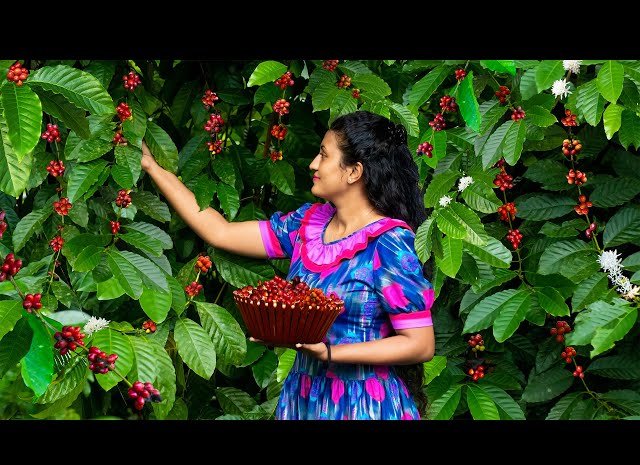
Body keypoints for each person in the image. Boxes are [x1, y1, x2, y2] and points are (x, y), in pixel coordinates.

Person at [140, 109, 435, 420]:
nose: (313, 164)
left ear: (354, 171)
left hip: (363, 404)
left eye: (323, 156)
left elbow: (419, 344)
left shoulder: (389, 242)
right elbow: (220, 231)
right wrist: (152, 166)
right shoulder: (308, 225)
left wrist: (331, 352)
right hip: (303, 396)